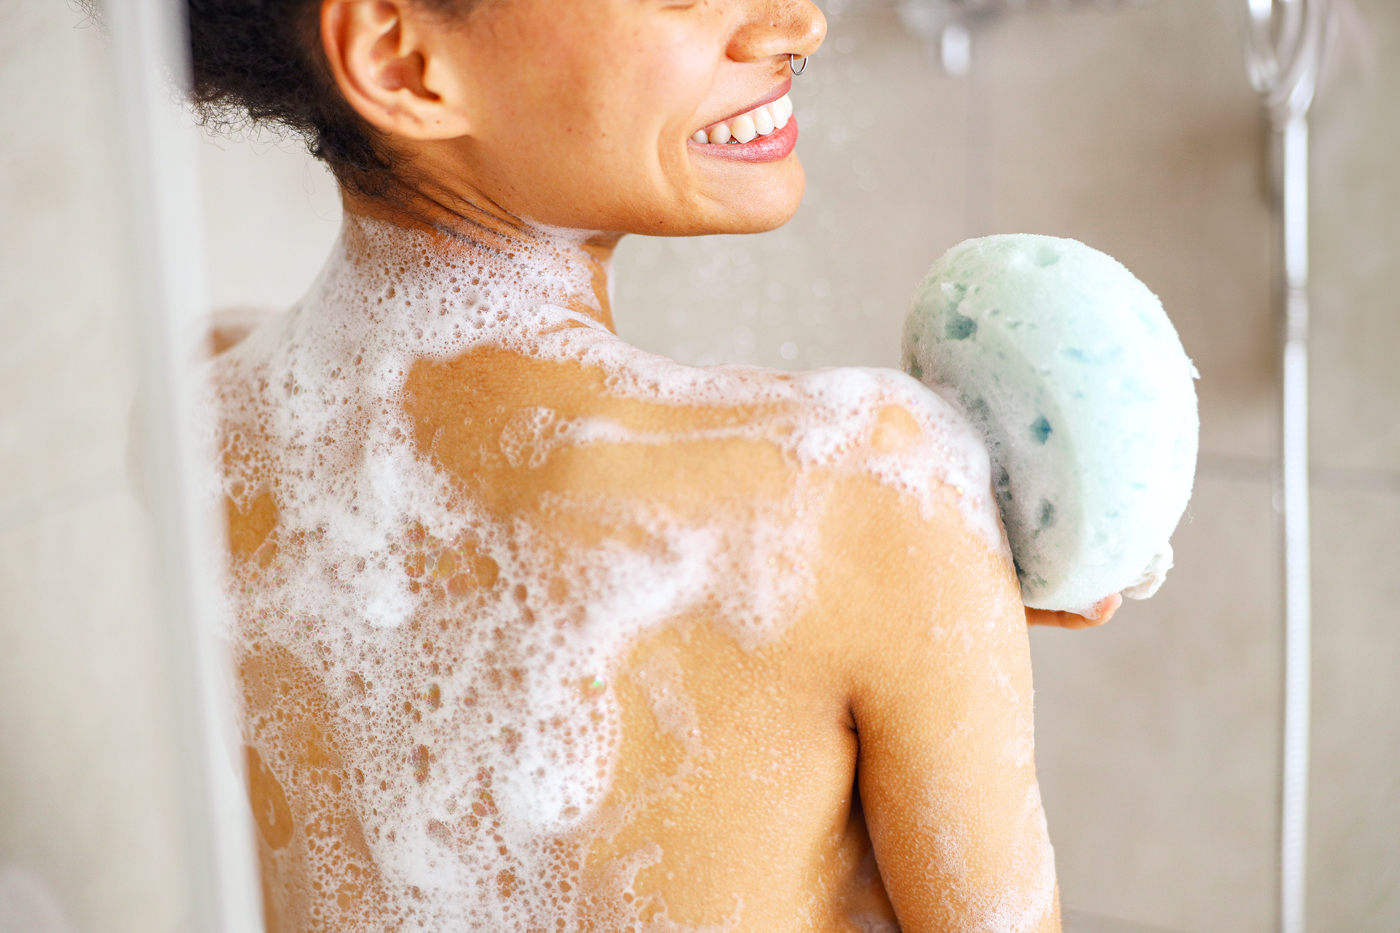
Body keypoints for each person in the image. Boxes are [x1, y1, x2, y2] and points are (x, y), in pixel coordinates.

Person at [204, 0, 1120, 929]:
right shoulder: (860, 494)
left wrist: (911, 606)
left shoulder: (201, 422)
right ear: (401, 59)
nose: (798, 23)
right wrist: (924, 579)